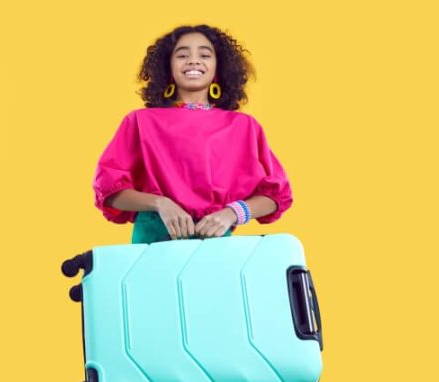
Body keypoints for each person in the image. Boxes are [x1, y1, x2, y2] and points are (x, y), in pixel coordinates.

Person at [92, 24, 293, 244]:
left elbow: (276, 195)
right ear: (168, 67)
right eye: (182, 55)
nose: (193, 60)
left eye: (205, 54)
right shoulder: (140, 121)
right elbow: (109, 191)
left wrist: (232, 213)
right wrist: (160, 204)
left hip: (216, 243)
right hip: (153, 240)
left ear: (218, 69)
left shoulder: (244, 126)